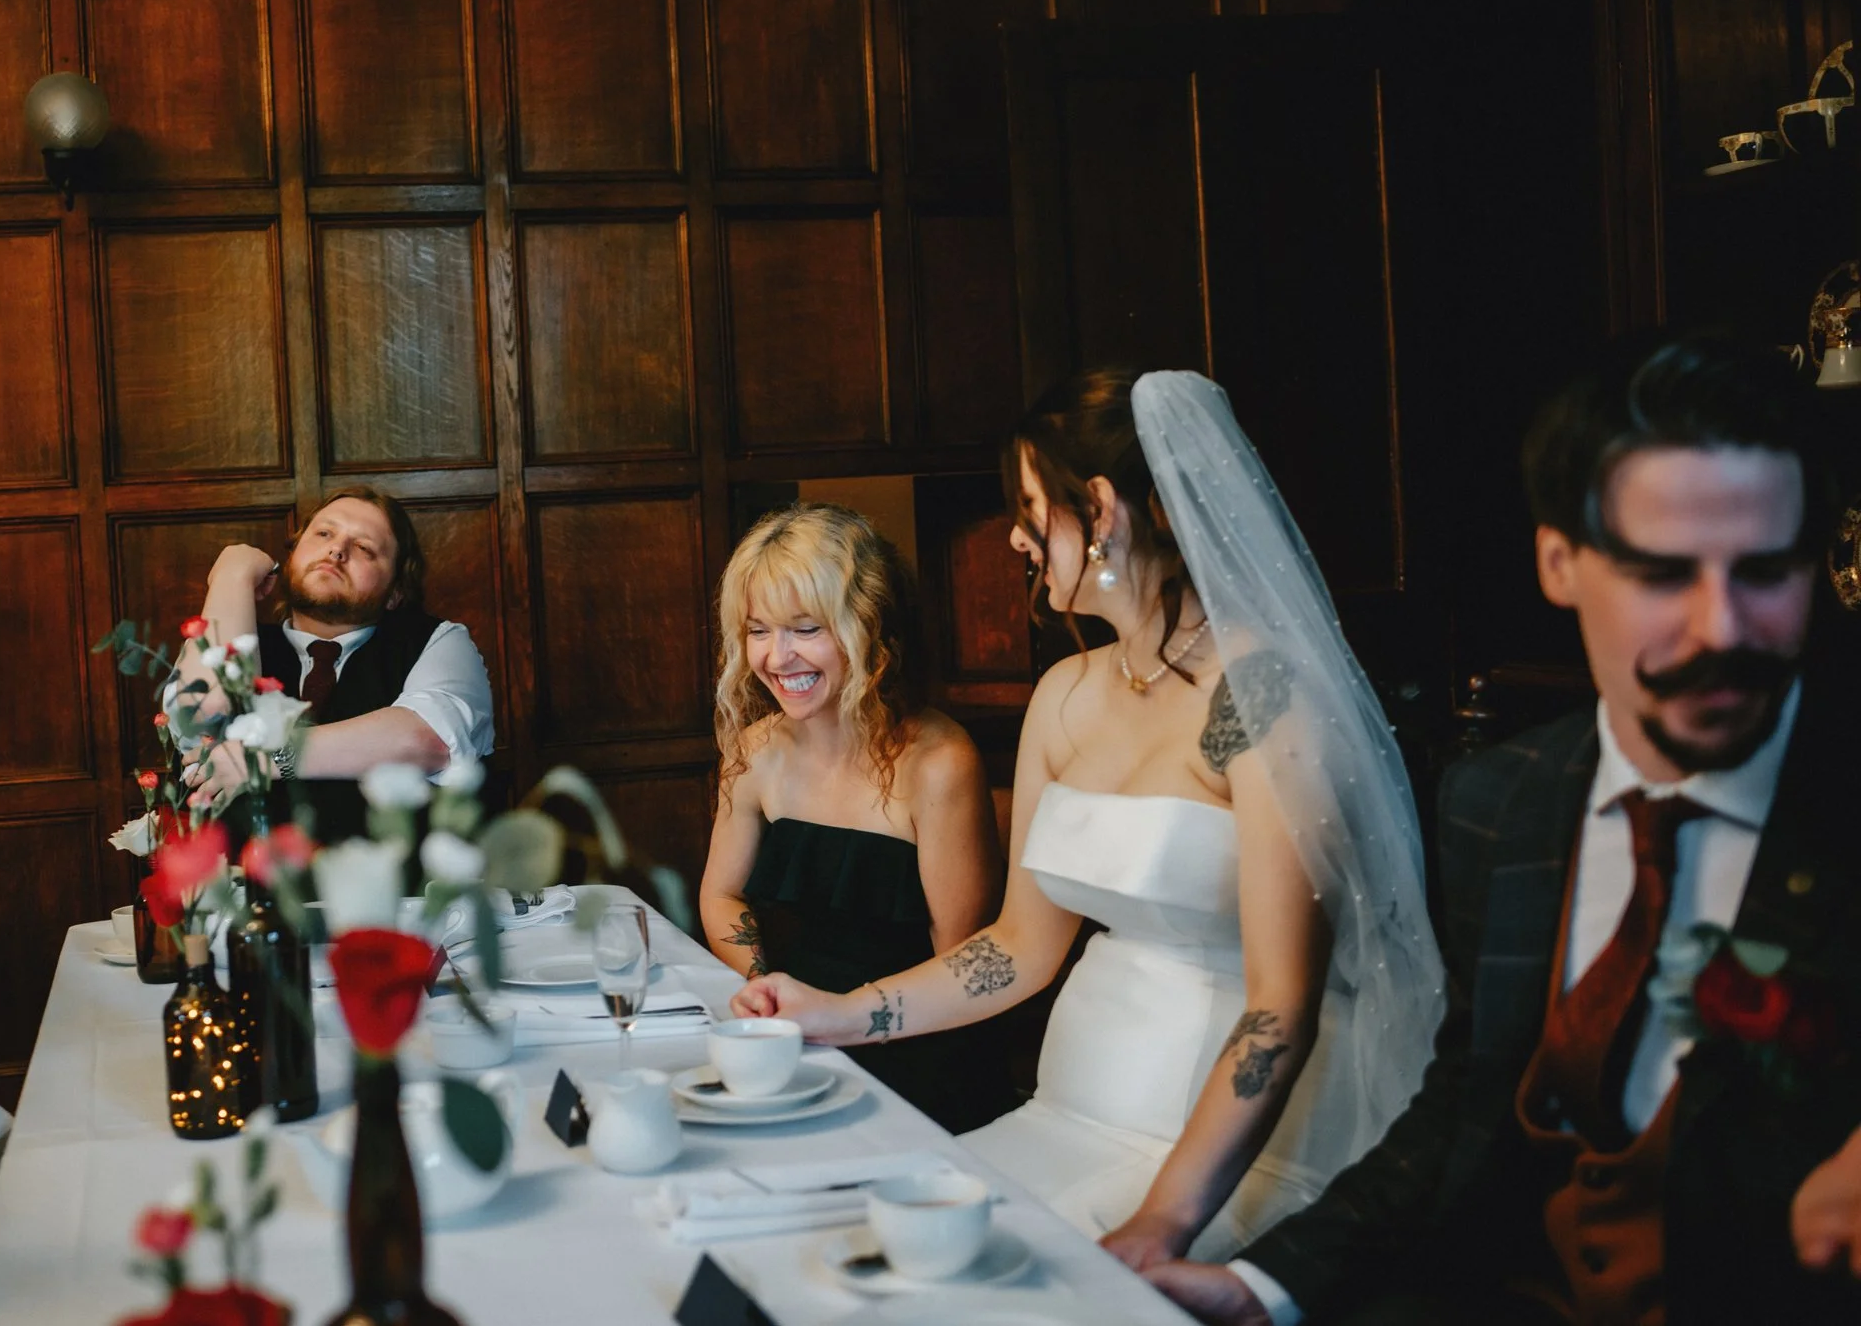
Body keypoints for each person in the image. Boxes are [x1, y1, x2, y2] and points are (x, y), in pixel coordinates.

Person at [1149, 333, 1861, 1324]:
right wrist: (1261, 1286)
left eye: (1765, 571)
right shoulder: (1497, 800)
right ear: (1558, 564)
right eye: (1660, 574)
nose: (1721, 629)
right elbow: (1464, 1111)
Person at [730, 371, 1446, 1263]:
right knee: (855, 1249)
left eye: (1031, 511)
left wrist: (1162, 1222)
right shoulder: (1065, 695)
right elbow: (1020, 947)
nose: (1019, 540)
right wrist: (842, 1012)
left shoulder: (1262, 695)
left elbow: (1281, 1005)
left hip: (1243, 1152)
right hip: (1069, 1110)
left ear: (1100, 506)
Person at [698, 503, 1016, 1133]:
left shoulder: (941, 762)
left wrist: (845, 1015)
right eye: (758, 630)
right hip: (801, 1032)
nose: (777, 657)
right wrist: (767, 989)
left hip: (920, 1040)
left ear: (867, 626)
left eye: (805, 628)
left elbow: (960, 957)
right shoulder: (754, 749)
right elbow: (720, 893)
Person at [174, 487, 496, 841]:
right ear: (292, 555)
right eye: (324, 533)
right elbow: (208, 707)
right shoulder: (236, 635)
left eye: (365, 548)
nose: (337, 550)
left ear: (395, 593)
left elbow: (427, 739)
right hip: (247, 891)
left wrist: (264, 757)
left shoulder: (438, 641)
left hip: (400, 894)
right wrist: (232, 575)